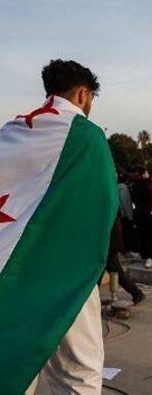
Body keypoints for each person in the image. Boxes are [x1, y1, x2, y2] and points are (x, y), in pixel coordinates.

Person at [0, 59, 118, 395]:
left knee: (19, 359)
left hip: (12, 267)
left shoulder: (11, 132)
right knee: (78, 371)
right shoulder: (87, 136)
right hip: (65, 268)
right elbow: (102, 205)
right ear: (83, 94)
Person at [118, 172, 137, 255]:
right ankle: (127, 249)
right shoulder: (123, 188)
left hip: (120, 214)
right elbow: (126, 202)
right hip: (125, 215)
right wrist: (130, 216)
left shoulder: (117, 186)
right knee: (127, 233)